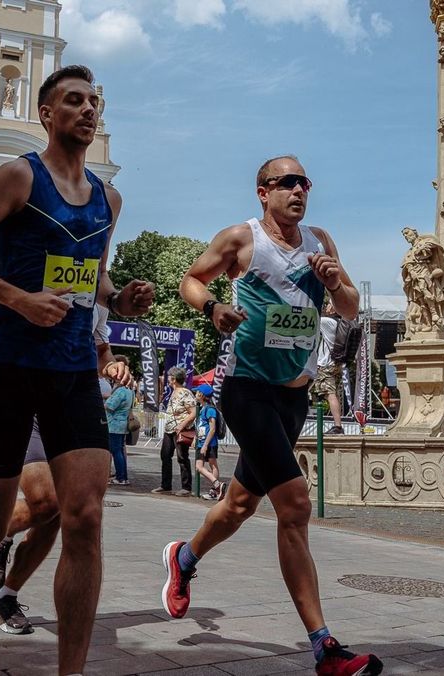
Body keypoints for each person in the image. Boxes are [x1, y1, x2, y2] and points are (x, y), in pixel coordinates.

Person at [0, 64, 154, 674]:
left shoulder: (108, 198)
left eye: (95, 101)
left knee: (85, 515)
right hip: (7, 365)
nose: (88, 110)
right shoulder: (19, 175)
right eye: (74, 101)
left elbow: (91, 279)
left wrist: (120, 301)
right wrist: (18, 299)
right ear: (46, 114)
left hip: (71, 369)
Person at [161, 155, 381, 676]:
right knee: (295, 505)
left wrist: (333, 282)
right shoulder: (243, 239)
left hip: (293, 395)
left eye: (304, 182)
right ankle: (324, 647)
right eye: (287, 183)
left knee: (239, 505)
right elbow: (190, 280)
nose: (299, 190)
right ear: (263, 192)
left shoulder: (320, 241)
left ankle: (183, 559)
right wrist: (212, 307)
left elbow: (349, 308)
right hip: (246, 388)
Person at [0, 299, 127, 635]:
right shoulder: (30, 267)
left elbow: (98, 349)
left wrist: (109, 365)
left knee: (58, 514)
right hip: (20, 406)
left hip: (68, 408)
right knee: (46, 501)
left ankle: (6, 597)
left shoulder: (96, 289)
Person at [153, 367, 195, 497]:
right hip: (169, 429)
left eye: (170, 377)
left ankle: (186, 487)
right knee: (165, 455)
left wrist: (182, 425)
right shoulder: (173, 392)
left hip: (180, 430)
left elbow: (193, 412)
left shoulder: (185, 393)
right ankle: (165, 485)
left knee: (182, 457)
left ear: (174, 379)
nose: (168, 380)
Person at [312, 300, 345, 434]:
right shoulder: (341, 323)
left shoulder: (327, 322)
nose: (326, 307)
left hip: (326, 364)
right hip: (336, 364)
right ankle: (337, 424)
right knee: (332, 393)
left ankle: (338, 426)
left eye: (329, 305)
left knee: (330, 394)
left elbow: (312, 316)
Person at [191, 384, 226, 500]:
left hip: (209, 444)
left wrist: (205, 445)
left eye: (197, 393)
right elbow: (200, 426)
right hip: (201, 442)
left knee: (208, 465)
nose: (195, 395)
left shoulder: (210, 410)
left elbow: (212, 429)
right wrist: (196, 438)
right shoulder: (202, 409)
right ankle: (216, 489)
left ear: (201, 395)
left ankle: (217, 486)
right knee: (200, 466)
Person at [104, 358, 133, 486]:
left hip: (114, 424)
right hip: (122, 424)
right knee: (120, 451)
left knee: (116, 452)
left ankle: (120, 477)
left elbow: (110, 406)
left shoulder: (120, 391)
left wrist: (103, 399)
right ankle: (124, 477)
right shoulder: (129, 391)